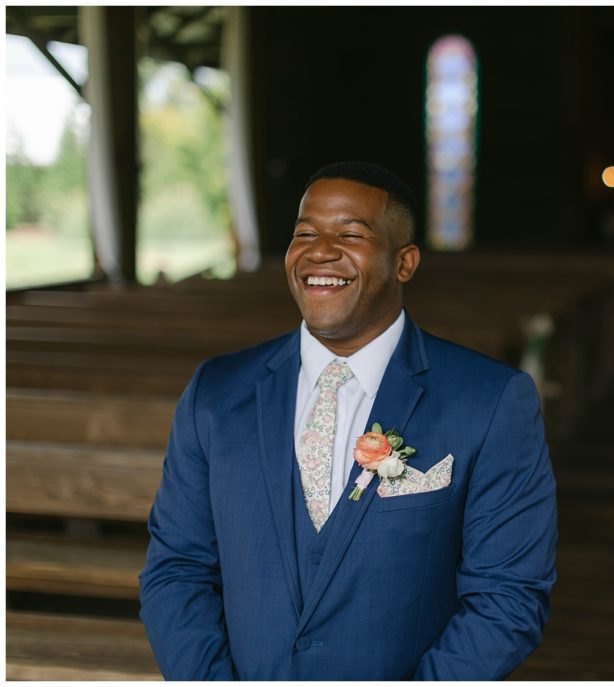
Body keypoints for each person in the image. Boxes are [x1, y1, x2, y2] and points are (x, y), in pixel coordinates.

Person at [139, 161, 558, 680]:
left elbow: (509, 598)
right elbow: (177, 569)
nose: (320, 250)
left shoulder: (491, 401)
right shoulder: (216, 393)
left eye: (350, 234)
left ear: (404, 263)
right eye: (305, 233)